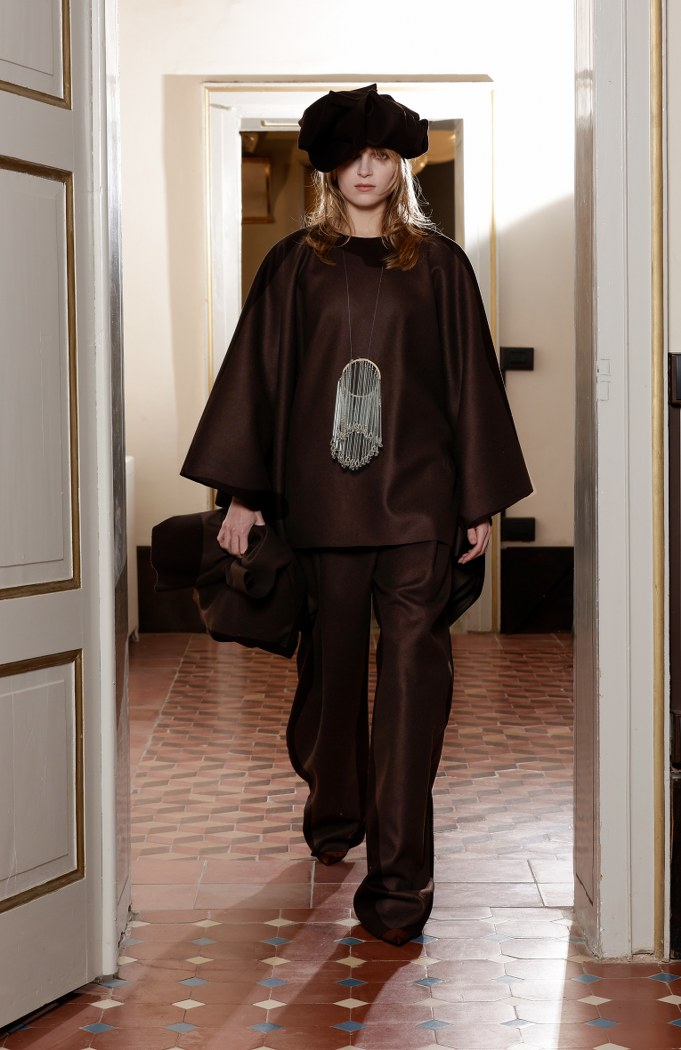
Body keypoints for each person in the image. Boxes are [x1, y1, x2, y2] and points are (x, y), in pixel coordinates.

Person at [181, 84, 532, 946]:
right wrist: (243, 494)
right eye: (352, 156)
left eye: (382, 155)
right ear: (330, 167)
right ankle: (333, 810)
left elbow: (467, 384)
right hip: (323, 507)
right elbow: (259, 379)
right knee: (332, 679)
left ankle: (399, 888)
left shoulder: (440, 266)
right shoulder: (295, 265)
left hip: (418, 507)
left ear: (399, 165)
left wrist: (477, 501)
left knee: (415, 687)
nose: (367, 169)